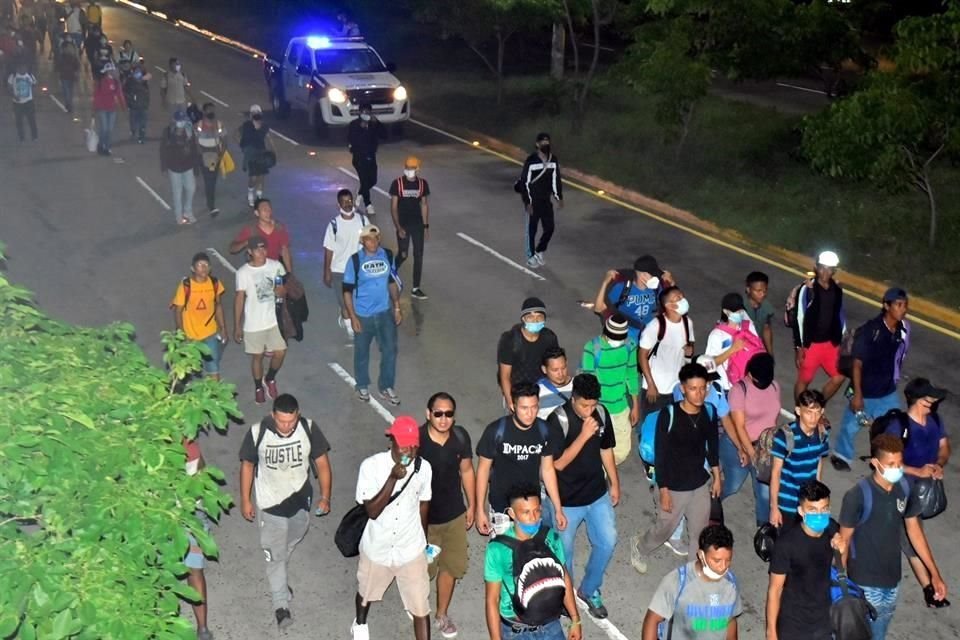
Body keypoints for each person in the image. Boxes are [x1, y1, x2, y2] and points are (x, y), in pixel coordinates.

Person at [838, 434, 949, 639]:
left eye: (899, 463)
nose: (896, 469)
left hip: (892, 581)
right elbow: (842, 542)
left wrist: (934, 574)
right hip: (865, 582)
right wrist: (841, 588)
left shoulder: (905, 488)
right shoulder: (857, 496)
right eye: (890, 464)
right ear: (875, 463)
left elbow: (914, 532)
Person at [239, 394, 332, 630]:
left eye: (291, 421)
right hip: (269, 505)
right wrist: (245, 500)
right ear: (273, 416)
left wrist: (325, 496)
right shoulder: (257, 432)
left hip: (300, 502)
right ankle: (281, 606)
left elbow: (322, 463)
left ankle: (279, 567)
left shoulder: (308, 429)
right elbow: (247, 466)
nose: (286, 426)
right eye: (281, 421)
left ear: (297, 416)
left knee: (290, 542)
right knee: (275, 556)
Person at [632, 362, 721, 573]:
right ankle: (639, 546)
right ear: (682, 388)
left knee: (699, 534)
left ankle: (692, 575)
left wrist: (717, 476)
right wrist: (663, 490)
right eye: (693, 388)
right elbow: (661, 455)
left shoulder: (709, 411)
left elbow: (712, 446)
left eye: (702, 388)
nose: (699, 394)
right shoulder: (669, 415)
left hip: (699, 482)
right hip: (673, 484)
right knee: (664, 529)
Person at [351, 416, 433, 640]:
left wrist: (424, 545)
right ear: (392, 441)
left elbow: (424, 505)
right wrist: (392, 479)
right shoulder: (371, 467)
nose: (409, 449)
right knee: (366, 593)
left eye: (413, 445)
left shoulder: (424, 468)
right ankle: (359, 623)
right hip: (378, 546)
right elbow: (372, 511)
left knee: (420, 606)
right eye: (403, 443)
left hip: (410, 547)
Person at [546, 374, 620, 620]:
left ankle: (589, 590)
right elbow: (558, 464)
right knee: (564, 555)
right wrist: (584, 434)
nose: (590, 411)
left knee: (608, 541)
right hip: (567, 501)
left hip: (597, 494)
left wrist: (615, 482)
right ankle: (565, 599)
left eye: (593, 405)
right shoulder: (557, 420)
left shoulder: (601, 412)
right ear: (573, 398)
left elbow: (606, 449)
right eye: (584, 405)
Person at [483, 483, 582, 640]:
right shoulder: (497, 549)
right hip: (515, 630)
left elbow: (565, 579)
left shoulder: (551, 537)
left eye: (537, 511)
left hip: (550, 623)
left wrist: (575, 619)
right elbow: (492, 599)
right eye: (526, 512)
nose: (533, 518)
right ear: (512, 514)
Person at [831, 287, 910, 472]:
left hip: (886, 390)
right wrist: (858, 395)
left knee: (893, 427)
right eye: (898, 305)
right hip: (864, 391)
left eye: (905, 305)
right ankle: (841, 455)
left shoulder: (899, 329)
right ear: (886, 306)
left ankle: (883, 460)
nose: (903, 309)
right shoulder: (871, 331)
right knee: (851, 426)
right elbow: (857, 364)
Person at [475, 382, 567, 536]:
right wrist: (480, 510)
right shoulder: (496, 431)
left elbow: (547, 470)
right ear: (513, 406)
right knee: (505, 555)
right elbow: (483, 471)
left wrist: (558, 508)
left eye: (534, 407)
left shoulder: (545, 431)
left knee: (529, 555)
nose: (530, 413)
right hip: (501, 506)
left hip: (531, 506)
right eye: (524, 408)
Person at [419, 393, 476, 639]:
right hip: (424, 521)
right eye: (438, 413)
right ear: (428, 413)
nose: (444, 419)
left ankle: (442, 614)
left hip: (453, 516)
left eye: (449, 414)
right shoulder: (416, 441)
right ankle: (418, 607)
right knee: (422, 570)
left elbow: (466, 471)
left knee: (451, 567)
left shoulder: (460, 438)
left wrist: (473, 505)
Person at [890, 377, 951, 607]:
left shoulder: (935, 419)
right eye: (929, 399)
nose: (934, 403)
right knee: (912, 540)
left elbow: (944, 447)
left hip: (923, 490)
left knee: (911, 539)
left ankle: (931, 585)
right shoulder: (899, 426)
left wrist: (938, 464)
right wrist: (917, 470)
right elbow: (886, 462)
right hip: (900, 489)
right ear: (916, 400)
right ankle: (930, 588)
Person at [766, 480, 845, 640]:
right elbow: (775, 590)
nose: (820, 515)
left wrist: (842, 550)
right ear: (801, 511)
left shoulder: (832, 530)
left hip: (824, 620)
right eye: (813, 510)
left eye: (824, 509)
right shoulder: (786, 544)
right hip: (794, 624)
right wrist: (771, 631)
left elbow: (841, 569)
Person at [641, 524, 741, 640]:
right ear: (701, 555)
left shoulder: (731, 584)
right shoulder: (678, 582)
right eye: (717, 560)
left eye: (728, 560)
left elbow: (730, 620)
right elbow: (652, 620)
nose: (723, 567)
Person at [343, 224, 402, 405]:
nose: (373, 242)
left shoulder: (387, 255)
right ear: (363, 241)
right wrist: (353, 317)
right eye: (369, 239)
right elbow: (347, 290)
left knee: (390, 350)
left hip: (384, 312)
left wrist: (397, 306)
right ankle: (362, 384)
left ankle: (386, 386)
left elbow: (391, 281)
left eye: (376, 238)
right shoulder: (354, 260)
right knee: (362, 352)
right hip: (363, 315)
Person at [722, 353, 780, 526]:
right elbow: (739, 426)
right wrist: (752, 454)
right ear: (749, 374)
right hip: (738, 445)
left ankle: (764, 528)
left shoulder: (775, 386)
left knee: (764, 491)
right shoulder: (739, 390)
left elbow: (773, 418)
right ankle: (713, 499)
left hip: (765, 446)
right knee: (733, 485)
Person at [581, 313, 640, 466]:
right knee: (595, 447)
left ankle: (607, 470)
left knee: (622, 450)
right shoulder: (592, 348)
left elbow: (632, 375)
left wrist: (635, 406)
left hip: (621, 407)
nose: (617, 341)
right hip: (599, 409)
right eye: (614, 337)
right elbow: (588, 382)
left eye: (620, 338)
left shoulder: (630, 345)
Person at [234, 235, 287, 404]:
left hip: (273, 321)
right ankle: (258, 386)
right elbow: (240, 298)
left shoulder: (275, 266)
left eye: (264, 248)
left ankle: (270, 378)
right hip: (253, 324)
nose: (262, 252)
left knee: (280, 352)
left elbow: (282, 287)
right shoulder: (243, 273)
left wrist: (281, 291)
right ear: (249, 251)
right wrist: (237, 325)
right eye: (257, 249)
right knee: (256, 357)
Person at [790, 250, 846, 402]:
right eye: (822, 267)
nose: (825, 272)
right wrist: (799, 347)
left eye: (829, 268)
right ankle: (800, 411)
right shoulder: (807, 290)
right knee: (804, 380)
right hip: (811, 344)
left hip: (830, 343)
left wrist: (842, 341)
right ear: (816, 267)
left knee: (839, 376)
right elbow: (799, 317)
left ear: (834, 270)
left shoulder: (837, 290)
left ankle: (819, 405)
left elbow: (840, 316)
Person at [769, 390, 830, 528]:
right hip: (787, 503)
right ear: (798, 411)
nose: (813, 418)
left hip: (809, 503)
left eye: (817, 412)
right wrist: (774, 508)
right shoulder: (785, 436)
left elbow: (819, 463)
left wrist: (818, 495)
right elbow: (776, 473)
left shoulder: (822, 435)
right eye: (808, 412)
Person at [170, 252, 227, 380]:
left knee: (214, 370)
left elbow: (218, 305)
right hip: (190, 337)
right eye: (200, 265)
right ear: (193, 269)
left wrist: (223, 328)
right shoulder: (186, 286)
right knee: (187, 370)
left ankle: (215, 398)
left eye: (206, 265)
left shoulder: (214, 283)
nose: (204, 268)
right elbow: (178, 310)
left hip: (210, 334)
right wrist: (181, 333)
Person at [639, 286, 694, 418]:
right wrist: (651, 384)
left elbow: (689, 347)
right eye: (678, 298)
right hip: (656, 389)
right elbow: (642, 356)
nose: (683, 300)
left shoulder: (688, 323)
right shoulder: (655, 326)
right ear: (669, 305)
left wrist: (689, 353)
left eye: (682, 296)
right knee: (652, 427)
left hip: (677, 388)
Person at [497, 297, 560, 412]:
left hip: (541, 390)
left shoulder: (549, 338)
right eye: (531, 317)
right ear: (523, 319)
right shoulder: (510, 340)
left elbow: (555, 364)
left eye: (539, 317)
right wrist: (511, 402)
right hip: (517, 392)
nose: (535, 321)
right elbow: (505, 375)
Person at [592, 254, 674, 340]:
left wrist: (671, 283)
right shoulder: (622, 288)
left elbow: (674, 304)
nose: (657, 277)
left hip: (649, 333)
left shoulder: (656, 288)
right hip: (626, 334)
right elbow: (599, 309)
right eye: (653, 275)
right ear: (643, 275)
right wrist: (605, 283)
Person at [324, 189, 369, 339]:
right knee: (345, 304)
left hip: (358, 270)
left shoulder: (362, 221)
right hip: (339, 271)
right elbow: (329, 249)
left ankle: (350, 319)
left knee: (357, 302)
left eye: (350, 201)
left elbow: (371, 240)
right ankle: (351, 331)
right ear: (338, 205)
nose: (348, 204)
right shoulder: (333, 225)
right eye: (344, 202)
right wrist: (327, 271)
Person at [182, 437, 215, 640]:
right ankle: (202, 629)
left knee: (194, 570)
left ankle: (202, 627)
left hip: (187, 515)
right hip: (190, 514)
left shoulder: (189, 446)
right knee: (195, 571)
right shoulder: (190, 445)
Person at [518, 132, 563, 268]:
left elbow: (556, 179)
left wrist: (558, 197)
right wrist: (527, 201)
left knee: (549, 228)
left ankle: (539, 250)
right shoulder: (531, 161)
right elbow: (524, 183)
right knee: (532, 230)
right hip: (533, 202)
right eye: (542, 143)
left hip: (545, 201)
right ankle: (531, 256)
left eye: (547, 142)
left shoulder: (553, 160)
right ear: (537, 145)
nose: (545, 145)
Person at [704, 293, 765, 392]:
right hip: (727, 387)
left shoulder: (749, 326)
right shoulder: (717, 335)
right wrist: (733, 349)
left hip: (747, 385)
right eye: (736, 311)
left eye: (741, 310)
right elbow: (709, 364)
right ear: (726, 312)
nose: (740, 313)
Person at [389, 155, 431, 300]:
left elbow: (424, 205)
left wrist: (426, 227)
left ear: (417, 169)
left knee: (418, 256)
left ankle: (416, 287)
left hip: (417, 225)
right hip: (403, 224)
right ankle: (390, 271)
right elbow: (393, 207)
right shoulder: (397, 183)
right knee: (403, 254)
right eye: (407, 168)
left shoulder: (422, 184)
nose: (409, 171)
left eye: (412, 168)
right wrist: (398, 227)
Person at [229, 198, 293, 273]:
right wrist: (246, 242)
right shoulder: (251, 230)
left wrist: (289, 273)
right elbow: (232, 249)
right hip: (258, 268)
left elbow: (285, 251)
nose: (268, 212)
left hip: (275, 266)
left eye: (269, 209)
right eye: (264, 209)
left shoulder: (279, 228)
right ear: (257, 213)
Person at [160, 111, 201, 226]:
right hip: (174, 167)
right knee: (177, 192)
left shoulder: (189, 132)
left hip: (187, 165)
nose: (181, 123)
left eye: (183, 120)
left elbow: (194, 149)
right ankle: (179, 216)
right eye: (179, 120)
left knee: (191, 188)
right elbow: (163, 150)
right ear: (174, 121)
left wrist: (196, 167)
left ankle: (187, 211)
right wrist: (164, 166)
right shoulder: (168, 132)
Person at [348, 103, 386, 215]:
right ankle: (368, 204)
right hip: (359, 158)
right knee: (364, 180)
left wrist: (377, 123)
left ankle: (360, 193)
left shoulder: (373, 124)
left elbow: (384, 135)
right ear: (360, 113)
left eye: (368, 112)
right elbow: (352, 140)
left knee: (373, 180)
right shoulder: (354, 125)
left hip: (371, 157)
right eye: (364, 112)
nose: (366, 114)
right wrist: (361, 129)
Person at [237, 104, 275, 207]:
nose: (256, 115)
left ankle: (259, 197)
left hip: (261, 153)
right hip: (251, 154)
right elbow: (237, 135)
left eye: (257, 113)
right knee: (253, 177)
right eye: (254, 113)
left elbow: (268, 138)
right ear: (251, 115)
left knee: (261, 176)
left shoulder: (264, 126)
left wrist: (273, 151)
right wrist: (243, 147)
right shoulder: (246, 126)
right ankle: (250, 194)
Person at [196, 102, 226, 216]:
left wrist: (220, 155)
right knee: (209, 180)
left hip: (215, 155)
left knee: (212, 180)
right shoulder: (199, 125)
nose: (211, 112)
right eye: (209, 110)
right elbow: (195, 141)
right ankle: (211, 206)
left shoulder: (218, 125)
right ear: (203, 112)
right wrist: (201, 155)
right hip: (204, 156)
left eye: (213, 110)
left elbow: (224, 140)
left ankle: (210, 202)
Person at [92, 62, 125, 155]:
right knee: (104, 128)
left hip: (112, 109)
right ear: (108, 71)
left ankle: (106, 146)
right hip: (102, 109)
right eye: (112, 70)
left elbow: (120, 94)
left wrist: (123, 106)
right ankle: (102, 145)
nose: (115, 71)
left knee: (109, 129)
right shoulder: (102, 82)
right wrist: (95, 108)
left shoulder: (116, 82)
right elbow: (96, 96)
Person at [537, 346, 573, 420]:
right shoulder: (536, 391)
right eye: (555, 370)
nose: (560, 374)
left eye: (563, 368)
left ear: (567, 363)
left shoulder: (578, 385)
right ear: (544, 369)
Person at [744, 271, 774, 354]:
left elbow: (766, 329)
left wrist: (770, 354)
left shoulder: (767, 307)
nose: (762, 294)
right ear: (748, 289)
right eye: (758, 291)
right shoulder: (739, 307)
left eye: (765, 290)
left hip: (757, 347)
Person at [7, 59, 37, 142]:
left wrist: (31, 85)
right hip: (17, 103)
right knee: (19, 121)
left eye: (25, 67)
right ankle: (21, 136)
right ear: (17, 68)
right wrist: (14, 96)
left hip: (29, 102)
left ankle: (34, 136)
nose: (23, 69)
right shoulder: (13, 76)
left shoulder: (29, 76)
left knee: (31, 119)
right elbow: (9, 88)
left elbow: (34, 84)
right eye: (21, 67)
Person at [122, 61, 149, 144]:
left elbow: (147, 93)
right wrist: (129, 102)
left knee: (142, 123)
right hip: (134, 106)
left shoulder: (144, 81)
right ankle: (133, 133)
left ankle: (141, 137)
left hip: (143, 105)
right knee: (134, 122)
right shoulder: (130, 81)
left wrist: (147, 103)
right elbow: (125, 92)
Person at [55, 38, 79, 112]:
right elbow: (77, 66)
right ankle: (69, 103)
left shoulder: (61, 57)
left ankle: (68, 103)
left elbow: (58, 66)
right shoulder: (73, 56)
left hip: (64, 75)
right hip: (70, 75)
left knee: (66, 91)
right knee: (70, 91)